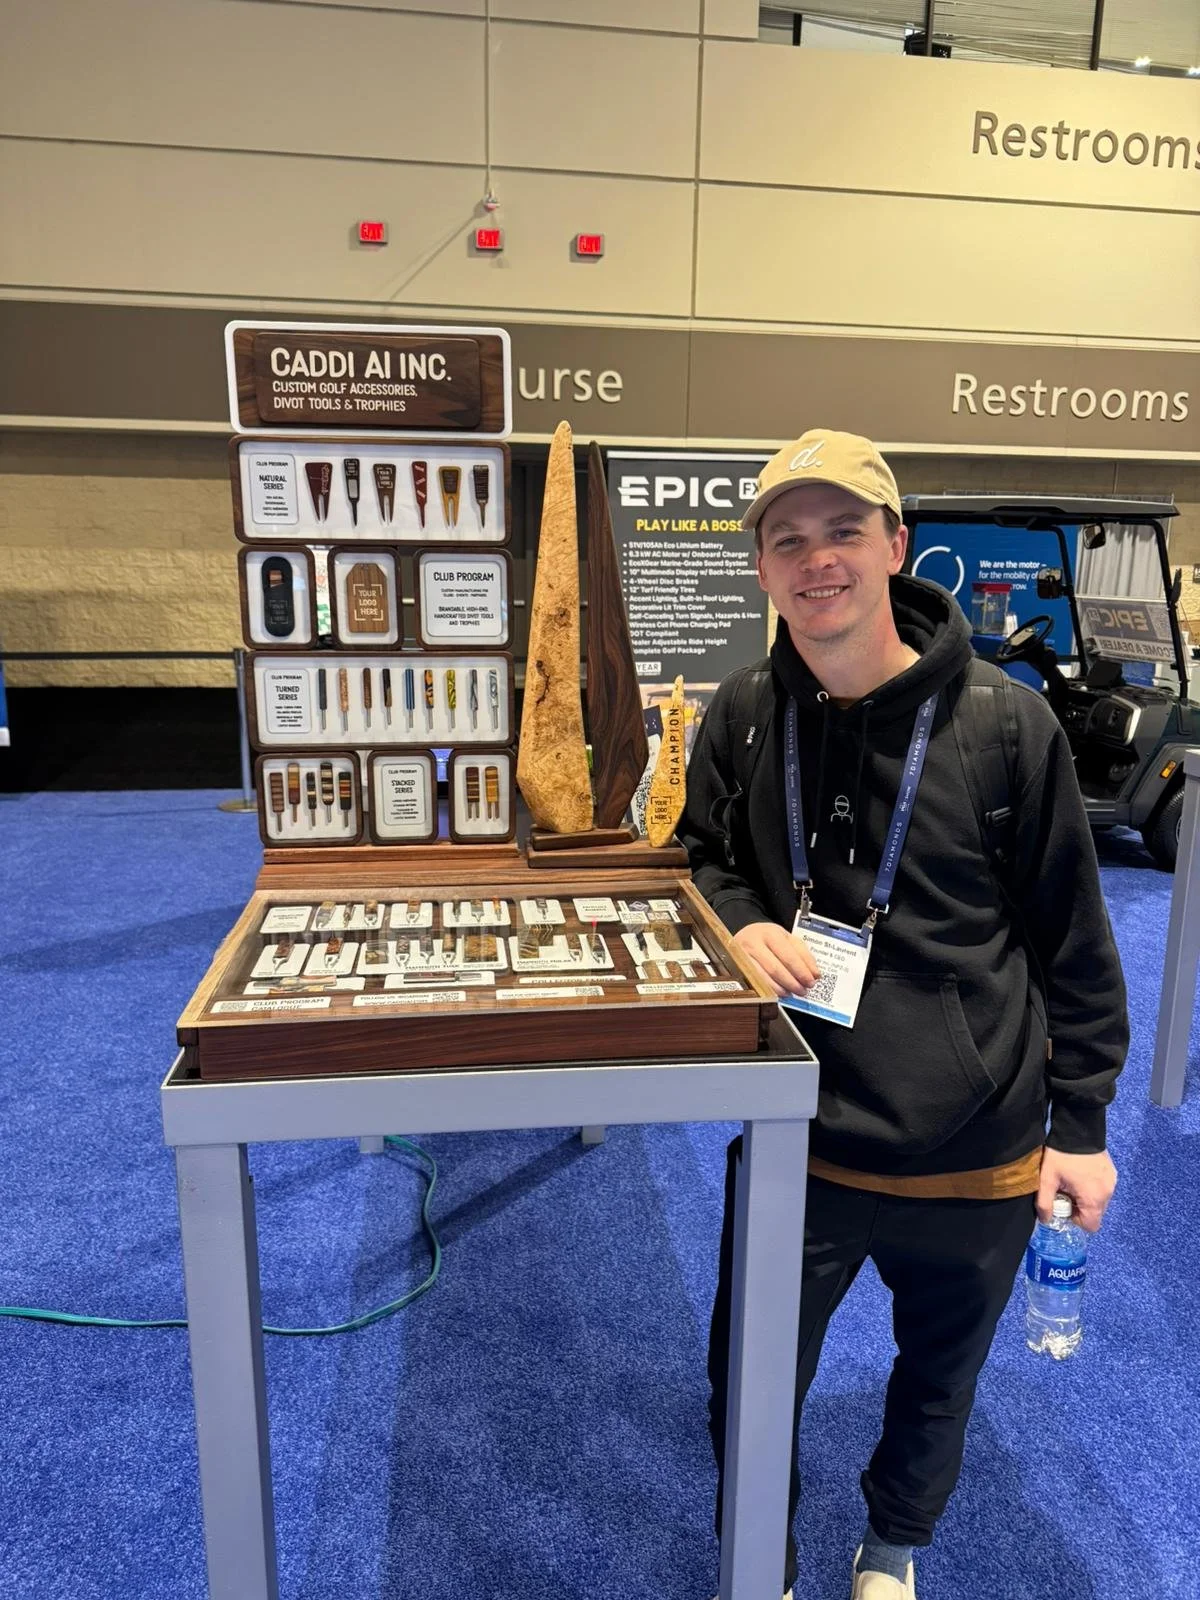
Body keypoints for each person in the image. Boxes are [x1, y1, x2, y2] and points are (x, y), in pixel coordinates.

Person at [681, 430, 1127, 1600]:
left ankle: (892, 1549)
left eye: (842, 531)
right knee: (749, 1375)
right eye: (788, 539)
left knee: (938, 1377)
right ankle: (758, 1562)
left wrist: (1079, 1123)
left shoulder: (1003, 725)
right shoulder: (737, 716)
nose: (816, 559)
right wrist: (735, 921)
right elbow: (703, 860)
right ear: (764, 568)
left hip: (976, 1136)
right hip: (799, 1128)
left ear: (896, 545)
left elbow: (1075, 937)